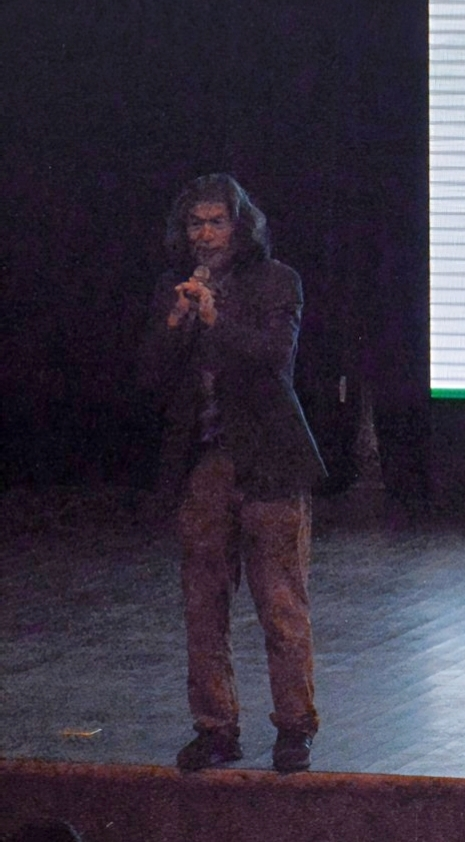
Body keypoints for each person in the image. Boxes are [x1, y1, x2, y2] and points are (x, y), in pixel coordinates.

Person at [137, 174, 325, 774]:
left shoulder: (277, 281)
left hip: (269, 462)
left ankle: (294, 727)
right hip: (205, 465)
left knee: (280, 603)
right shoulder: (174, 288)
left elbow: (275, 359)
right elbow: (149, 378)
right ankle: (216, 728)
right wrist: (175, 322)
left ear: (240, 227)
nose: (205, 234)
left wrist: (217, 318)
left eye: (217, 222)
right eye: (196, 223)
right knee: (203, 604)